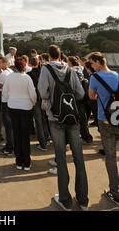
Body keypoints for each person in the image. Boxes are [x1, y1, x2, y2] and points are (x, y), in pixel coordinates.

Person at [38, 44, 89, 211]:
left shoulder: (46, 70)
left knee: (61, 157)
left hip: (55, 117)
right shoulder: (71, 70)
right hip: (73, 117)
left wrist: (49, 102)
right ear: (60, 55)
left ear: (49, 56)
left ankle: (65, 200)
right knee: (78, 157)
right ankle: (83, 200)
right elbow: (80, 93)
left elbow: (43, 93)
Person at [88, 51, 119, 206]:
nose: (92, 67)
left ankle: (115, 192)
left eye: (92, 63)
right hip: (118, 118)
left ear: (98, 62)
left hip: (105, 120)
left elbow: (91, 95)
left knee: (111, 156)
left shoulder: (94, 77)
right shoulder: (116, 75)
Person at [2, 57, 37, 170]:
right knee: (25, 135)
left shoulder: (9, 77)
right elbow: (33, 94)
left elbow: (5, 93)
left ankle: (18, 160)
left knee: (16, 133)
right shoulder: (27, 78)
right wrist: (32, 103)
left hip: (13, 107)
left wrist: (9, 100)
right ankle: (26, 161)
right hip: (26, 107)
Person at [68, 56, 93, 144]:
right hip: (83, 96)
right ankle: (86, 136)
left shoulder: (72, 71)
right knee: (83, 117)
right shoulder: (80, 69)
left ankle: (83, 137)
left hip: (76, 97)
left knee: (79, 118)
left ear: (70, 62)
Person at [29, 56, 50, 151]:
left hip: (35, 99)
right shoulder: (42, 73)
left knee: (38, 122)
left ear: (30, 64)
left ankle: (42, 143)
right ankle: (46, 138)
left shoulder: (29, 74)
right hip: (43, 98)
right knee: (44, 119)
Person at [0, 56, 14, 155]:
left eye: (0, 63)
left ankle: (9, 146)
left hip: (5, 100)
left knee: (7, 125)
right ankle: (11, 144)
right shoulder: (11, 72)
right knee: (10, 124)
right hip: (11, 100)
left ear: (4, 63)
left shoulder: (3, 74)